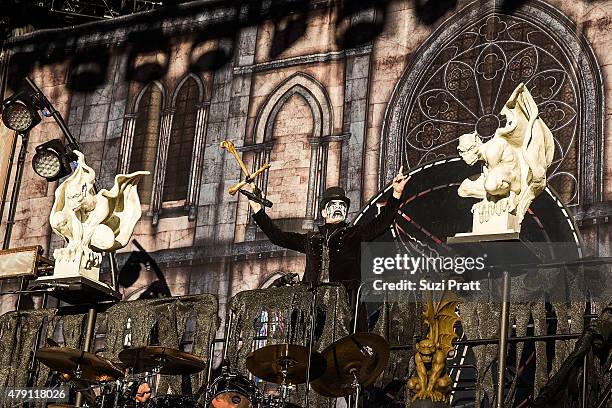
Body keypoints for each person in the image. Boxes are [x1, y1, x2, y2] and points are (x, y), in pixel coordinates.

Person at [248, 166, 409, 293]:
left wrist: (396, 193)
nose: (339, 208)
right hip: (313, 305)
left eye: (342, 206)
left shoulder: (354, 234)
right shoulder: (311, 239)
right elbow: (278, 237)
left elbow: (382, 223)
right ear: (324, 212)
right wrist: (257, 210)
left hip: (343, 305)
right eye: (334, 205)